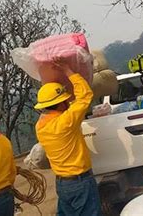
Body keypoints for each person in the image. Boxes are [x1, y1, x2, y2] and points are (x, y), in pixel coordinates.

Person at [34, 58, 101, 216]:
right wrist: (67, 71)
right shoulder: (65, 122)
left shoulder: (40, 126)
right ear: (60, 103)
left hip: (63, 183)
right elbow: (85, 96)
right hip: (80, 182)